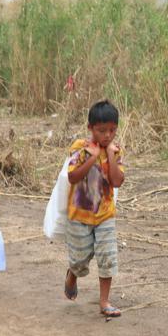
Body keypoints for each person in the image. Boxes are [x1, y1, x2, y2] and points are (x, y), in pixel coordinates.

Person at [62, 100, 125, 317]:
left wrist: (108, 156)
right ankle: (72, 273)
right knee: (80, 258)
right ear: (90, 128)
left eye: (111, 130)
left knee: (107, 256)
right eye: (101, 131)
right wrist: (93, 156)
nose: (107, 135)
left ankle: (104, 301)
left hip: (105, 213)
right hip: (80, 214)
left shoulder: (115, 152)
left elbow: (117, 182)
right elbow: (73, 176)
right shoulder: (80, 148)